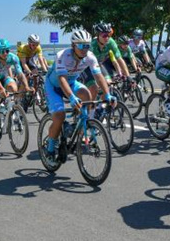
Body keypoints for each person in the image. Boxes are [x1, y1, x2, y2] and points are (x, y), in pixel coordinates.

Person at [42, 30, 115, 160]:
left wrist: (107, 94)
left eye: (86, 45)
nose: (84, 49)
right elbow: (61, 79)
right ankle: (51, 147)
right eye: (80, 45)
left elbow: (99, 76)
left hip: (71, 83)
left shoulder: (90, 57)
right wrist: (71, 97)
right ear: (73, 45)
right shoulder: (62, 55)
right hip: (54, 86)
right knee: (59, 116)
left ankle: (78, 128)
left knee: (87, 95)